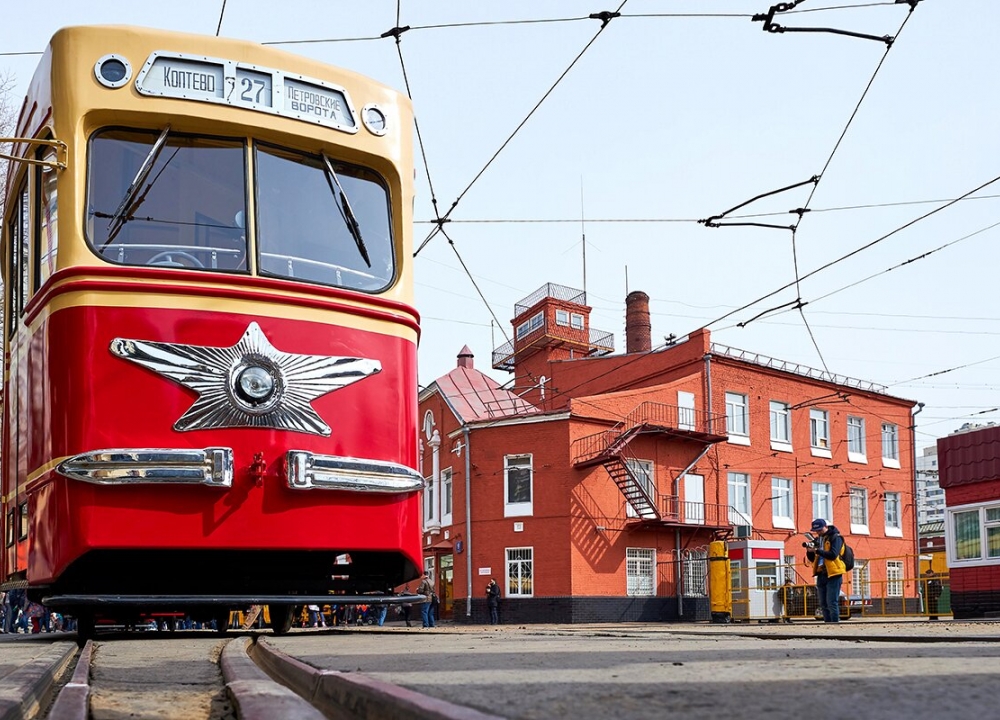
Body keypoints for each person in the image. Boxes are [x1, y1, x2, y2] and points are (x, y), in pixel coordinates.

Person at [805, 518, 847, 623]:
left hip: (834, 573)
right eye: (816, 531)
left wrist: (818, 551)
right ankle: (827, 623)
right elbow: (812, 559)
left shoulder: (836, 537)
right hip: (821, 573)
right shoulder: (818, 540)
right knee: (823, 603)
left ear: (826, 527)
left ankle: (835, 623)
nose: (818, 532)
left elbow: (833, 555)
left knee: (831, 602)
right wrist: (810, 551)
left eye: (820, 530)